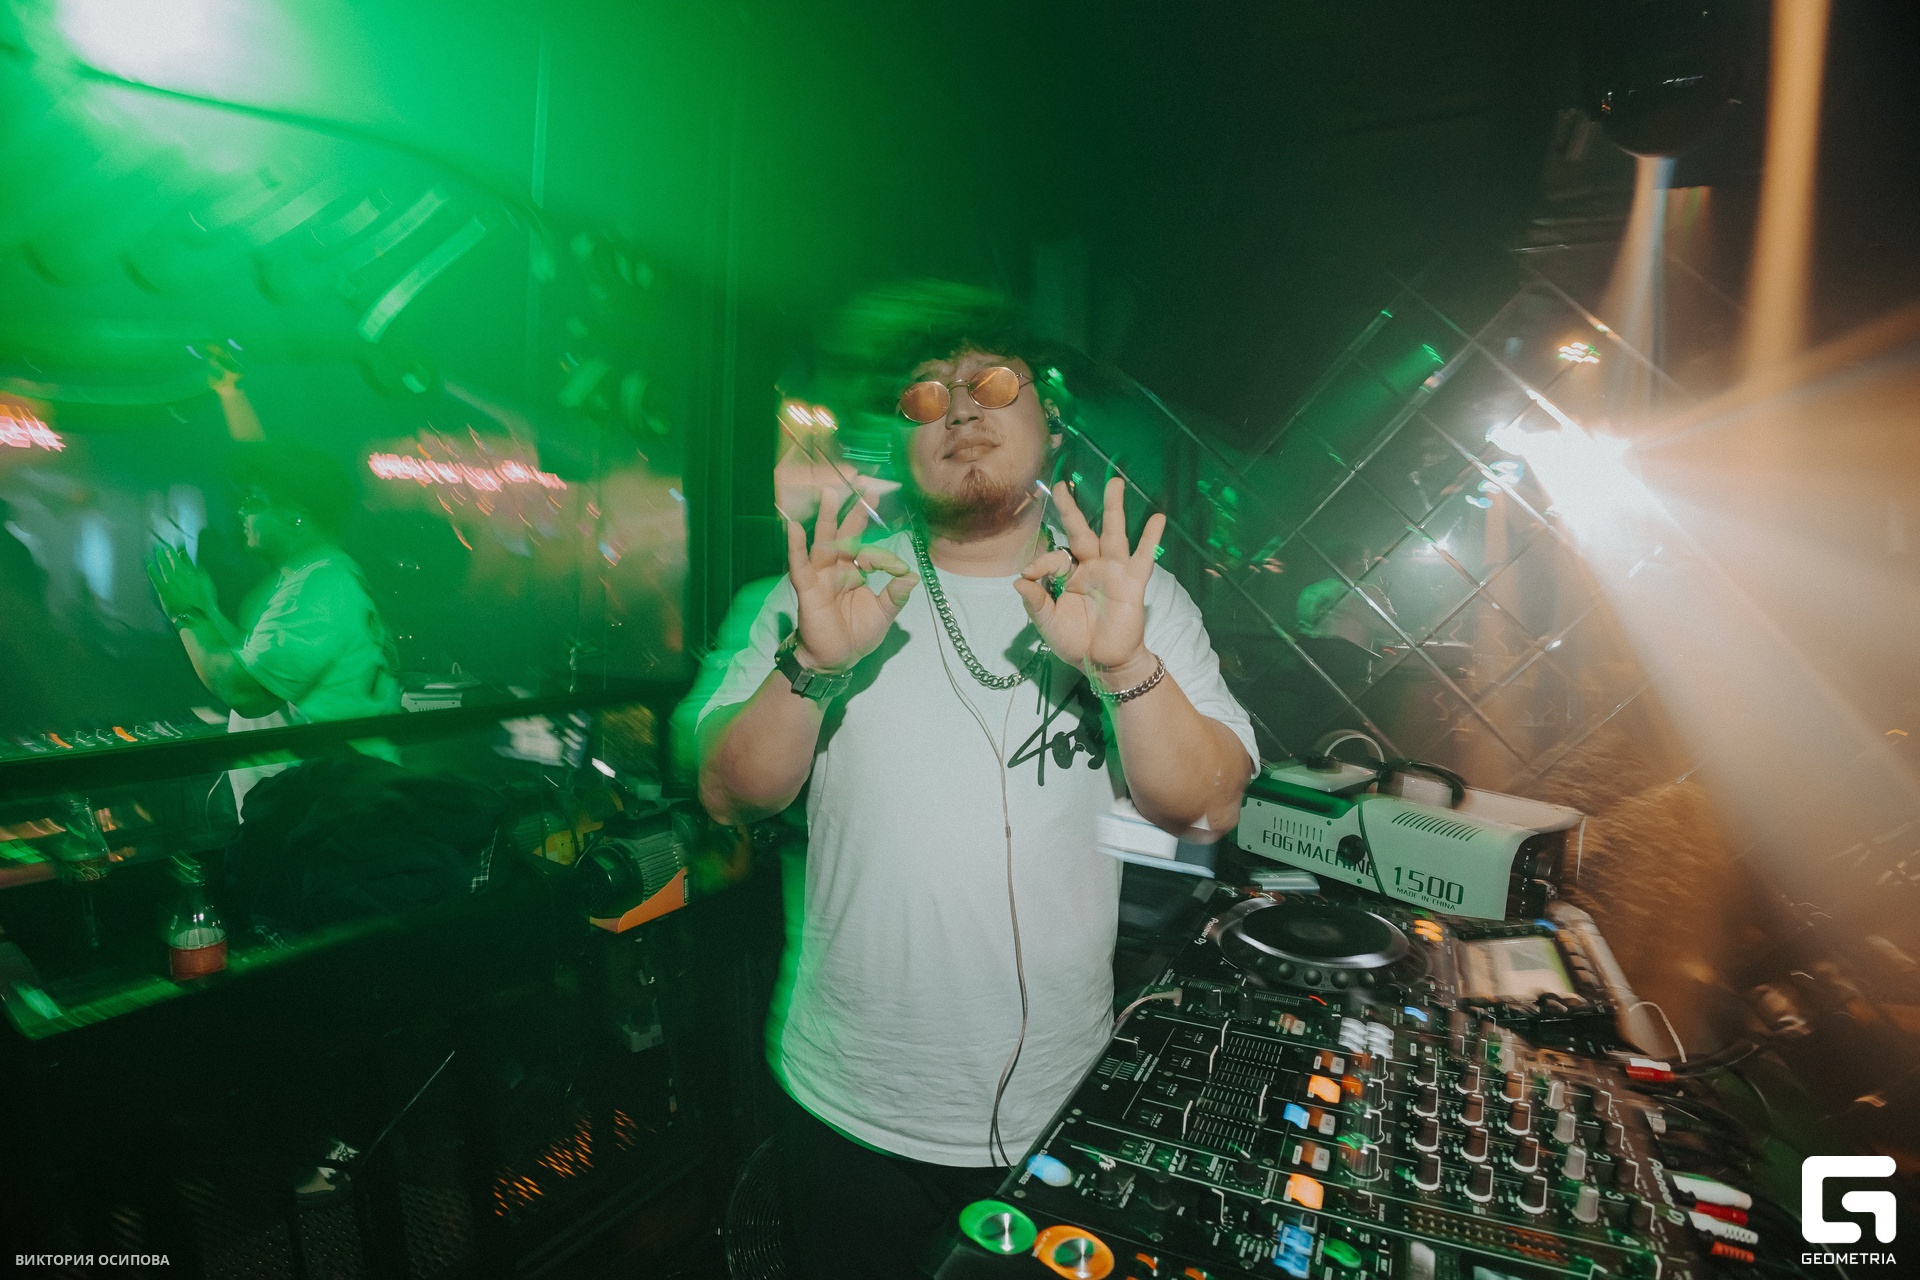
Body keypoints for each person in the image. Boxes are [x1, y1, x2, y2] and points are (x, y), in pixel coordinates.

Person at [693, 306, 1257, 1278]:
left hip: (1058, 1099)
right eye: (925, 397)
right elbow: (726, 794)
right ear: (900, 440)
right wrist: (814, 666)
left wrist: (1123, 667)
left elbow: (1206, 806)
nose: (958, 410)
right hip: (849, 1101)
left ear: (1051, 422)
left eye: (993, 384)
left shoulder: (1136, 597)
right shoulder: (823, 590)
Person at [147, 441, 400, 812]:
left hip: (325, 816)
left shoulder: (318, 588)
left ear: (295, 516)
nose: (241, 511)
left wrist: (185, 613)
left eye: (254, 502)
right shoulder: (323, 575)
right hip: (323, 806)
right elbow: (255, 662)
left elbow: (246, 692)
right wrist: (208, 608)